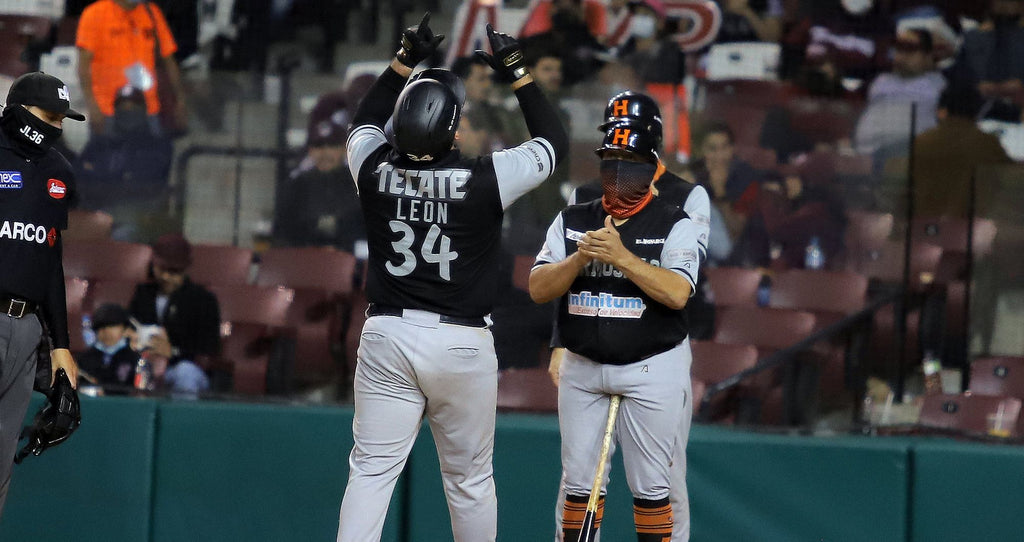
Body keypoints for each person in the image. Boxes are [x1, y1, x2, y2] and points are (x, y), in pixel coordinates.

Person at [336, 15, 568, 542]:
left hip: (387, 335)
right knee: (468, 481)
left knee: (371, 473)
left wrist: (402, 61)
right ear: (450, 127)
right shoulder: (485, 179)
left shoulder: (371, 167)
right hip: (461, 343)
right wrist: (517, 71)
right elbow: (552, 142)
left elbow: (363, 120)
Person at [548, 90, 710, 541]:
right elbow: (567, 281)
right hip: (589, 335)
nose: (618, 154)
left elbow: (685, 282)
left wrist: (627, 256)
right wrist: (560, 341)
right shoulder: (585, 197)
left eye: (629, 142)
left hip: (655, 341)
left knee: (664, 477)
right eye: (612, 140)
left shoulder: (686, 198)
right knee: (578, 480)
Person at [0, 71, 84, 517]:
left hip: (26, 329)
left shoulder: (58, 171)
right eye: (49, 115)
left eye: (63, 118)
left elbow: (51, 261)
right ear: (17, 112)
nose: (58, 126)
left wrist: (61, 347)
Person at [76, 0, 187, 136]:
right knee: (107, 156)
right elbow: (83, 66)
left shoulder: (152, 13)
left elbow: (168, 60)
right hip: (107, 111)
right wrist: (93, 107)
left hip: (149, 109)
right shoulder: (94, 14)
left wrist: (180, 99)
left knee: (152, 155)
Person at [128, 233, 221, 393]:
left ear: (185, 270)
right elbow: (129, 323)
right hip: (144, 365)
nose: (166, 276)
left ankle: (184, 418)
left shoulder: (203, 300)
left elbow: (208, 348)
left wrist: (173, 351)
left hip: (182, 368)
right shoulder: (143, 294)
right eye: (162, 269)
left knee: (186, 373)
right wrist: (130, 338)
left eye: (174, 272)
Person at [273, 91, 364, 253]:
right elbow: (283, 234)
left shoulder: (358, 184)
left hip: (351, 265)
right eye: (319, 147)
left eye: (332, 146)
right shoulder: (297, 185)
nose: (325, 153)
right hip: (304, 264)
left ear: (344, 149)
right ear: (310, 150)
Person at [853, 28, 947, 157]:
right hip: (865, 154)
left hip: (909, 157)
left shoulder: (940, 86)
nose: (902, 55)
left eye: (910, 49)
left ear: (928, 56)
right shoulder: (880, 81)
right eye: (899, 47)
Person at [75, 303, 139, 388]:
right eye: (101, 327)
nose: (106, 331)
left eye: (112, 325)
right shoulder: (84, 359)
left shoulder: (134, 359)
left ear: (125, 328)